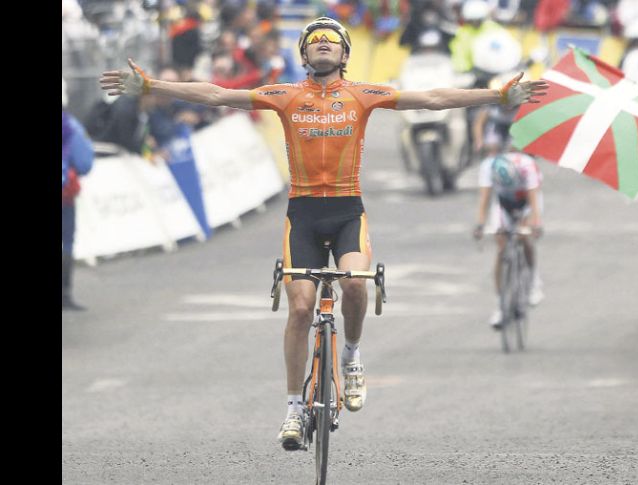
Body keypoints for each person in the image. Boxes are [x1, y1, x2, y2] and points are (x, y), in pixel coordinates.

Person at [100, 16, 548, 451]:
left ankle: (351, 357)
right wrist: (154, 86)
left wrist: (498, 95)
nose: (322, 42)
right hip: (304, 215)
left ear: (345, 53)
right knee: (299, 309)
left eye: (331, 39)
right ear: (303, 53)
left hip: (347, 211)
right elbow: (217, 93)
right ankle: (294, 408)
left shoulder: (363, 94)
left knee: (355, 285)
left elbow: (432, 97)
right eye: (313, 39)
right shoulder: (285, 95)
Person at [473, 131, 544, 328]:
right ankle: (500, 305)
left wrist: (535, 225)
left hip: (526, 202)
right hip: (503, 203)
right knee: (501, 247)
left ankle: (533, 282)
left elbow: (534, 203)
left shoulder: (528, 167)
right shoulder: (489, 166)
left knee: (523, 236)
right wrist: (480, 224)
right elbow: (485, 199)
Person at [62, 79, 95, 311]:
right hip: (64, 196)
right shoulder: (70, 126)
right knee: (66, 243)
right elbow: (84, 163)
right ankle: (65, 293)